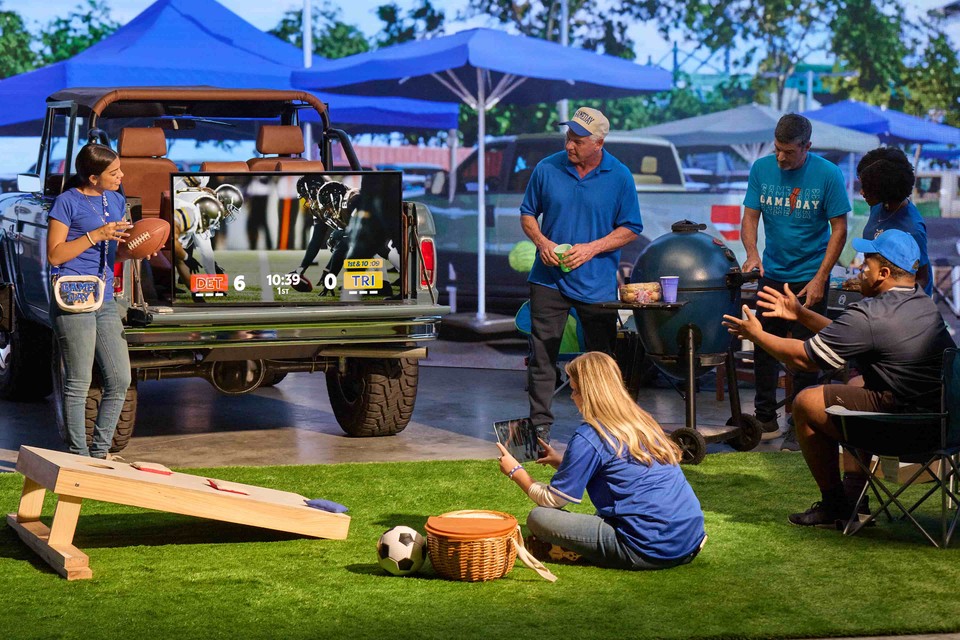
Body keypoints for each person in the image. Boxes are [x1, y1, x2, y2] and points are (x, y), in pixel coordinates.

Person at [722, 229, 955, 527]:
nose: (860, 269)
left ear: (883, 274)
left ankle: (835, 504)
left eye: (866, 263)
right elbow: (850, 335)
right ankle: (854, 498)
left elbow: (803, 359)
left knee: (806, 402)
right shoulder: (922, 304)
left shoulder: (871, 314)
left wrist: (758, 335)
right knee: (856, 385)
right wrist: (801, 314)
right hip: (944, 427)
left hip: (907, 432)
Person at [496, 351, 706, 570]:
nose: (572, 396)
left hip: (647, 548)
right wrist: (562, 462)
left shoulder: (590, 435)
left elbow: (553, 500)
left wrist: (516, 472)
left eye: (575, 390)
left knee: (539, 517)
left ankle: (576, 550)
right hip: (689, 541)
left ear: (589, 393)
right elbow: (621, 468)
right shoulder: (642, 421)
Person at [520, 106, 644, 443]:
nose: (569, 145)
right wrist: (542, 242)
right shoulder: (547, 168)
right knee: (541, 356)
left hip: (596, 283)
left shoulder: (619, 176)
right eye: (568, 137)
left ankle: (606, 426)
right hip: (547, 279)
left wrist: (591, 248)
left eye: (578, 140)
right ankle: (539, 429)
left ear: (599, 143)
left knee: (601, 360)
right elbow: (528, 214)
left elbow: (631, 227)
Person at [741, 113, 850, 447]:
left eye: (788, 152)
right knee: (763, 346)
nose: (780, 157)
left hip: (809, 278)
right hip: (772, 275)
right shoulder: (761, 169)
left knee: (808, 353)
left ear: (807, 147)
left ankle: (801, 421)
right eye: (777, 149)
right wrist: (752, 253)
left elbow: (839, 229)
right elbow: (750, 217)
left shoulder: (828, 174)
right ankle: (765, 418)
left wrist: (821, 277)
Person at [47, 143, 134, 459]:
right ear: (93, 177)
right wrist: (95, 235)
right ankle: (79, 455)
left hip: (105, 297)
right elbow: (55, 255)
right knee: (79, 382)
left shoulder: (116, 199)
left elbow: (115, 252)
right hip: (74, 296)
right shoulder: (67, 202)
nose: (121, 176)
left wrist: (137, 250)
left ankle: (99, 453)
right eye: (114, 172)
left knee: (120, 379)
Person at [856, 146, 931, 296]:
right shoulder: (878, 205)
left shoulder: (912, 229)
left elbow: (922, 278)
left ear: (884, 188)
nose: (861, 192)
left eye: (866, 188)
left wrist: (892, 299)